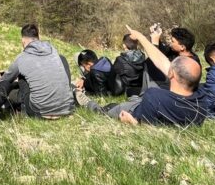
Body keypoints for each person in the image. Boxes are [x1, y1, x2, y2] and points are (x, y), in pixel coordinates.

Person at [76, 26, 206, 126]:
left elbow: (145, 126)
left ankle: (88, 104)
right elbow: (161, 61)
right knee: (132, 97)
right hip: (156, 98)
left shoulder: (154, 96)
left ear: (171, 73)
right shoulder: (200, 105)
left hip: (139, 108)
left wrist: (132, 122)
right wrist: (143, 37)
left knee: (109, 110)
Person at [0, 24, 74, 119]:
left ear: (23, 41)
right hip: (66, 108)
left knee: (21, 77)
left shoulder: (21, 58)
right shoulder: (54, 52)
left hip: (39, 111)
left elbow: (6, 80)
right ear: (38, 38)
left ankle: (24, 110)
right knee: (62, 59)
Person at [145, 24, 200, 89]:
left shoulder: (190, 63)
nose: (170, 44)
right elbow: (163, 51)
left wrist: (155, 44)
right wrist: (156, 37)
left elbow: (152, 63)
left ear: (182, 47)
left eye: (173, 41)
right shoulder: (175, 52)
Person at [111, 33, 147, 97]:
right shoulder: (143, 57)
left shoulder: (120, 59)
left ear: (124, 45)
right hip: (141, 89)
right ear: (136, 44)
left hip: (126, 91)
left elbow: (113, 74)